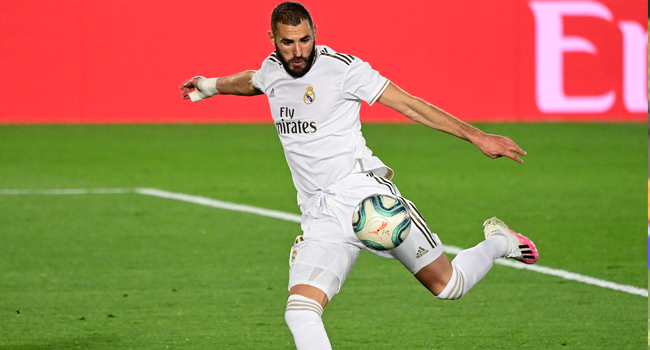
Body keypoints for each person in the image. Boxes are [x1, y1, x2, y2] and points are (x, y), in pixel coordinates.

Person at [179, 2, 539, 349]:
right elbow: (254, 81)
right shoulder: (273, 68)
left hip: (367, 198)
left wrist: (477, 136)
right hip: (320, 215)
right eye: (287, 42)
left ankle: (499, 242)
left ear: (315, 32)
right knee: (301, 312)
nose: (298, 50)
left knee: (449, 286)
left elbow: (411, 105)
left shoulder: (345, 70)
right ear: (272, 39)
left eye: (305, 39)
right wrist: (210, 86)